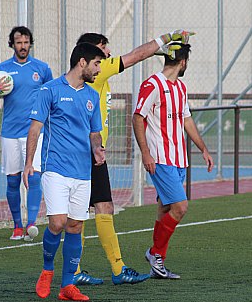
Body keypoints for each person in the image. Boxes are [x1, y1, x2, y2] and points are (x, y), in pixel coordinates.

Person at [71, 29, 193, 286]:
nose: (108, 54)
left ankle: (115, 270)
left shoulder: (88, 77)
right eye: (104, 49)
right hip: (83, 152)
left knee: (101, 207)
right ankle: (84, 270)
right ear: (92, 53)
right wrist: (165, 39)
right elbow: (136, 55)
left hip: (93, 150)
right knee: (81, 213)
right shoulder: (100, 70)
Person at [23, 43, 106, 302]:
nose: (98, 69)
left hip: (83, 172)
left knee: (75, 226)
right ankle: (47, 270)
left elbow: (94, 132)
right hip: (55, 168)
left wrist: (98, 149)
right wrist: (29, 163)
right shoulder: (50, 90)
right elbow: (35, 129)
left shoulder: (92, 96)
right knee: (57, 223)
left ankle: (67, 286)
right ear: (82, 62)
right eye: (96, 63)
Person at [133, 43, 214, 279]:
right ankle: (154, 252)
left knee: (165, 208)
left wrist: (203, 149)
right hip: (160, 158)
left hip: (179, 158)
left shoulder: (180, 87)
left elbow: (187, 121)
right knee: (181, 207)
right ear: (183, 62)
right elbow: (138, 118)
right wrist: (146, 153)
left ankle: (158, 263)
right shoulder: (152, 85)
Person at [0, 26, 53, 241]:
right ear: (12, 44)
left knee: (34, 177)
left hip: (35, 132)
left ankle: (31, 224)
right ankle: (17, 226)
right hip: (10, 133)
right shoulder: (2, 70)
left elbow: (51, 97)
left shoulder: (42, 69)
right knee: (12, 181)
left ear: (31, 43)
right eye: (18, 42)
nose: (22, 46)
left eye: (26, 42)